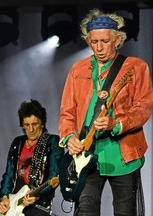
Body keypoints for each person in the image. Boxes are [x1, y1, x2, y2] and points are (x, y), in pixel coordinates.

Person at [58, 8, 153, 216]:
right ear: (88, 41)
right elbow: (67, 112)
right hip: (88, 152)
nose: (99, 48)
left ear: (117, 40)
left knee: (125, 212)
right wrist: (69, 136)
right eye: (94, 42)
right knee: (86, 210)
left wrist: (116, 123)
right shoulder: (77, 69)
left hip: (123, 153)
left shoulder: (137, 67)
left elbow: (143, 108)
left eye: (105, 42)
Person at [0, 99, 64, 216]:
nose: (31, 129)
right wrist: (4, 197)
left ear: (42, 123)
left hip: (38, 205)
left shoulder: (52, 142)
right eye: (27, 125)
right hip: (13, 204)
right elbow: (8, 174)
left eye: (35, 124)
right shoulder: (17, 143)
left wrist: (39, 195)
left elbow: (54, 175)